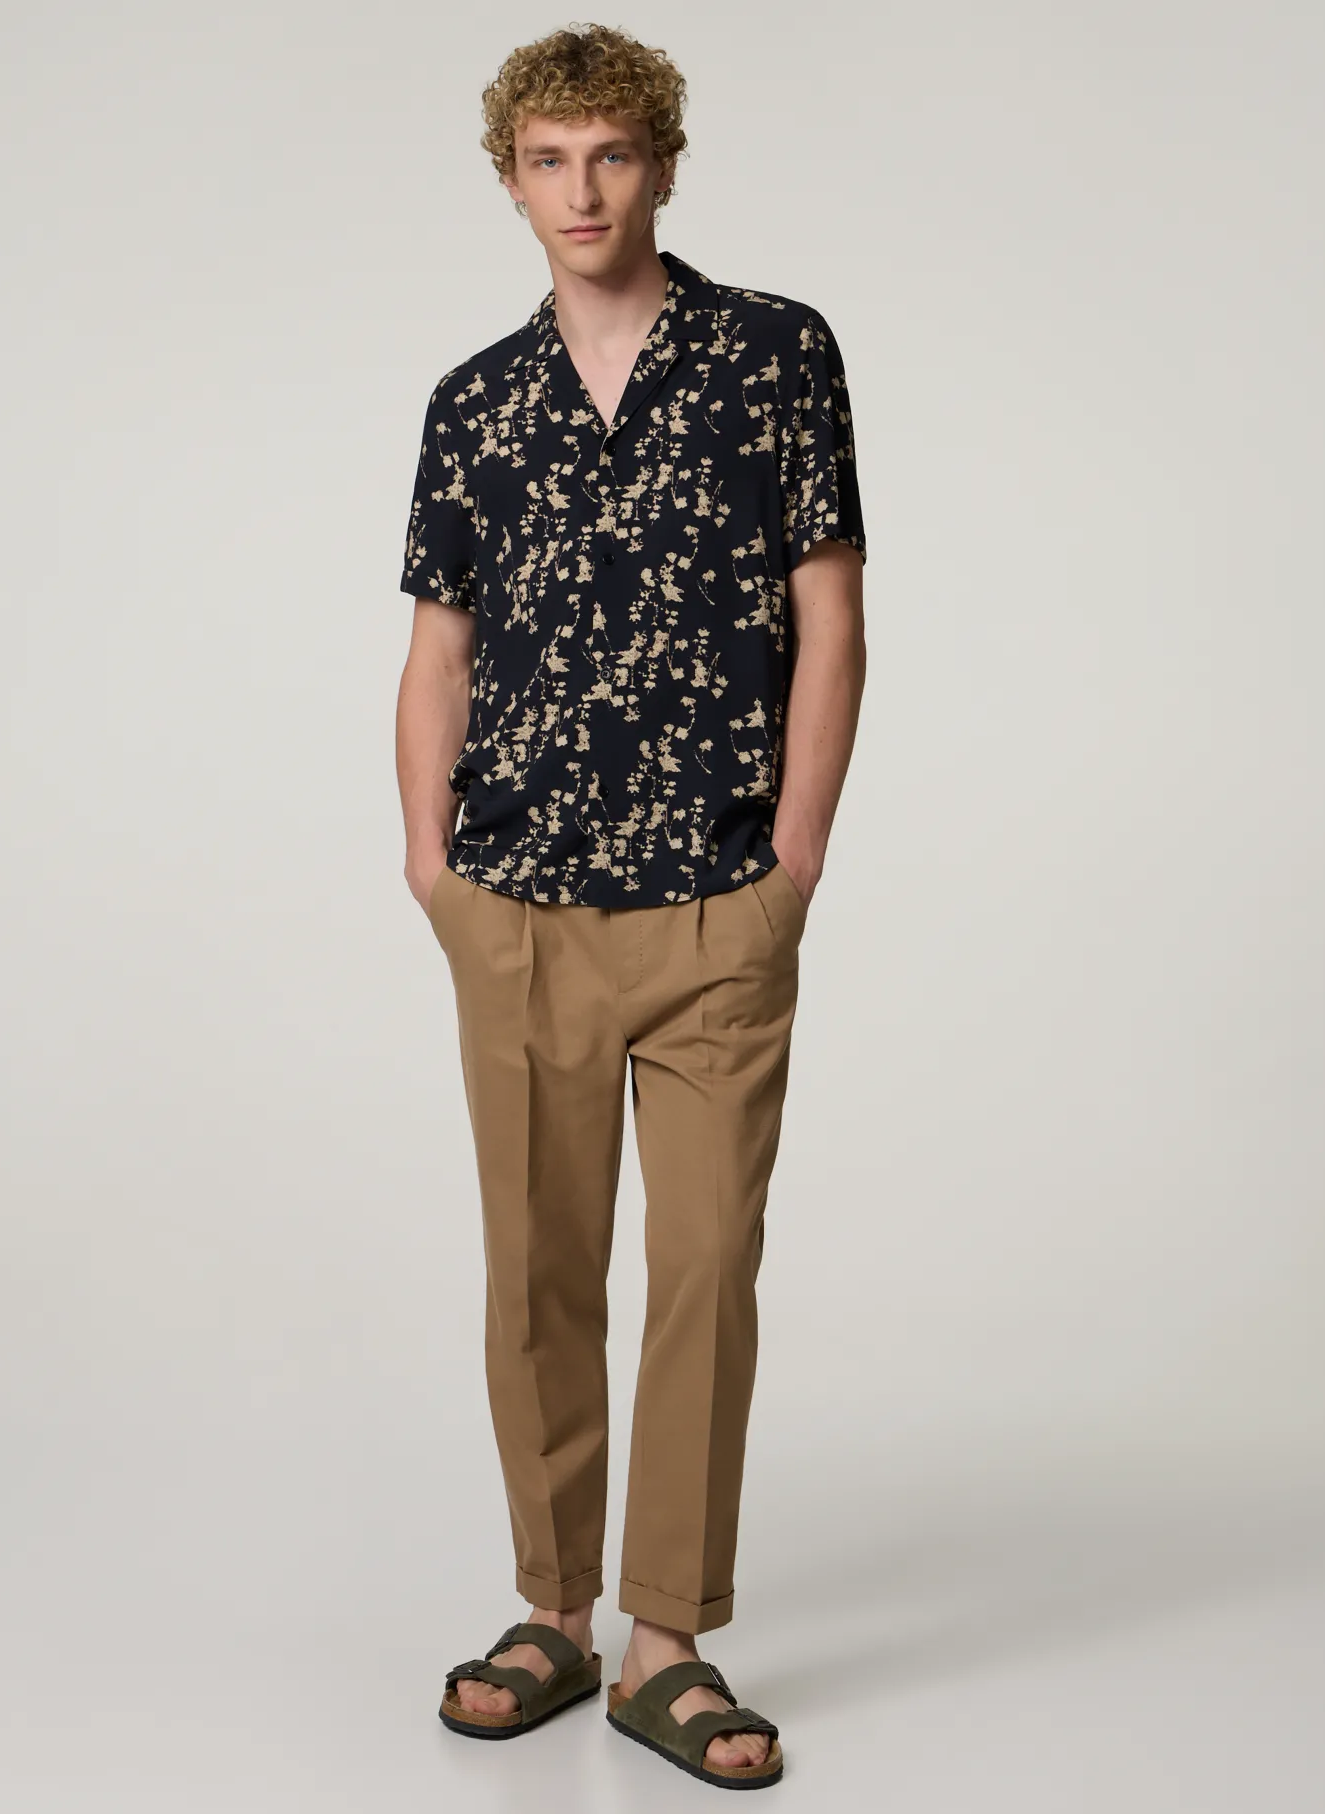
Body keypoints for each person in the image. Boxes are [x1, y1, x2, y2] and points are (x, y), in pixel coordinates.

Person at [394, 23, 867, 1790]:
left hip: (719, 902)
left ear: (662, 163)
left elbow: (831, 616)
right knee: (536, 1271)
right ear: (511, 180)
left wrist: (792, 862)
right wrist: (432, 866)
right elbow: (438, 650)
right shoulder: (476, 402)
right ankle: (554, 1613)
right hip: (515, 902)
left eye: (609, 154)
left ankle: (669, 1637)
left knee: (704, 1266)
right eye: (547, 160)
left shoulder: (775, 356)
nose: (581, 190)